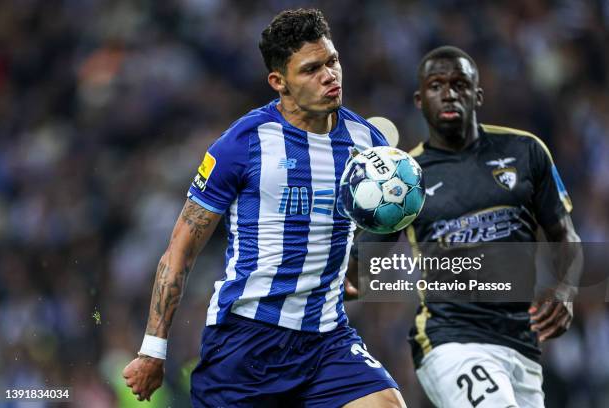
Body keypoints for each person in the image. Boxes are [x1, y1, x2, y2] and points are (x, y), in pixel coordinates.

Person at [122, 8, 406, 408]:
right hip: (246, 344)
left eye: (333, 61)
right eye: (311, 70)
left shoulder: (368, 141)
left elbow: (385, 220)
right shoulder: (243, 144)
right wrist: (153, 349)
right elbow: (179, 252)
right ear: (279, 82)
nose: (329, 76)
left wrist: (354, 267)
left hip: (327, 339)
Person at [351, 46, 582, 407]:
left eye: (459, 84)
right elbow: (360, 263)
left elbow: (565, 236)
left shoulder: (527, 151)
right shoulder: (407, 177)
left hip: (522, 344)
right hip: (450, 340)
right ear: (419, 98)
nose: (449, 93)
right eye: (436, 84)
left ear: (478, 94)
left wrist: (566, 290)